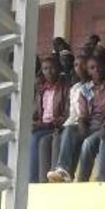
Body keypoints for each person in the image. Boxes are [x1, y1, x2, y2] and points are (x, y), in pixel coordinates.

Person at [47, 55, 91, 183]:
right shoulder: (75, 88)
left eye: (82, 64)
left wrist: (74, 124)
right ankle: (57, 173)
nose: (79, 68)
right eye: (76, 65)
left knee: (70, 131)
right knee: (57, 135)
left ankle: (65, 171)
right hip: (75, 123)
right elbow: (72, 113)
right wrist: (63, 126)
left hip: (87, 123)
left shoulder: (93, 85)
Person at [77, 56, 105, 182]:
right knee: (66, 134)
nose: (97, 70)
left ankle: (82, 180)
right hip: (91, 125)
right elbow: (83, 114)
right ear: (88, 71)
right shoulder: (85, 89)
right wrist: (81, 124)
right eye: (92, 68)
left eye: (99, 67)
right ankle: (62, 170)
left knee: (88, 143)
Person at [30, 55, 69, 183]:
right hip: (43, 126)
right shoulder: (42, 90)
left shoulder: (65, 88)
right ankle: (39, 180)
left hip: (56, 126)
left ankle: (34, 180)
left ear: (58, 69)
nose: (49, 72)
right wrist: (32, 123)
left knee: (37, 139)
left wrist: (47, 125)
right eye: (45, 69)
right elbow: (36, 113)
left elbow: (67, 114)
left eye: (52, 68)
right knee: (31, 136)